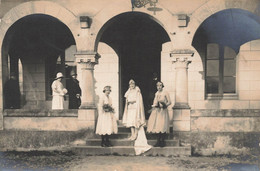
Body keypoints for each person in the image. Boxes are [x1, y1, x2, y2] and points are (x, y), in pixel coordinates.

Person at [122, 79, 152, 155]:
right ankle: (132, 134)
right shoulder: (128, 91)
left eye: (132, 84)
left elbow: (138, 100)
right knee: (130, 121)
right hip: (130, 108)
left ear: (134, 85)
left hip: (135, 107)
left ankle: (135, 134)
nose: (131, 86)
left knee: (135, 121)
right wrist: (128, 102)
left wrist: (133, 101)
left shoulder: (137, 91)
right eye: (130, 84)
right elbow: (127, 99)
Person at [147, 81, 171, 147]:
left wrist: (165, 105)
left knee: (163, 125)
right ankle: (158, 141)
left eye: (160, 85)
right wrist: (154, 106)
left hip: (163, 111)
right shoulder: (156, 93)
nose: (159, 87)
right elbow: (155, 102)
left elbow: (169, 102)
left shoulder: (165, 93)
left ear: (162, 86)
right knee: (158, 125)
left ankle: (162, 141)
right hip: (158, 111)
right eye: (157, 86)